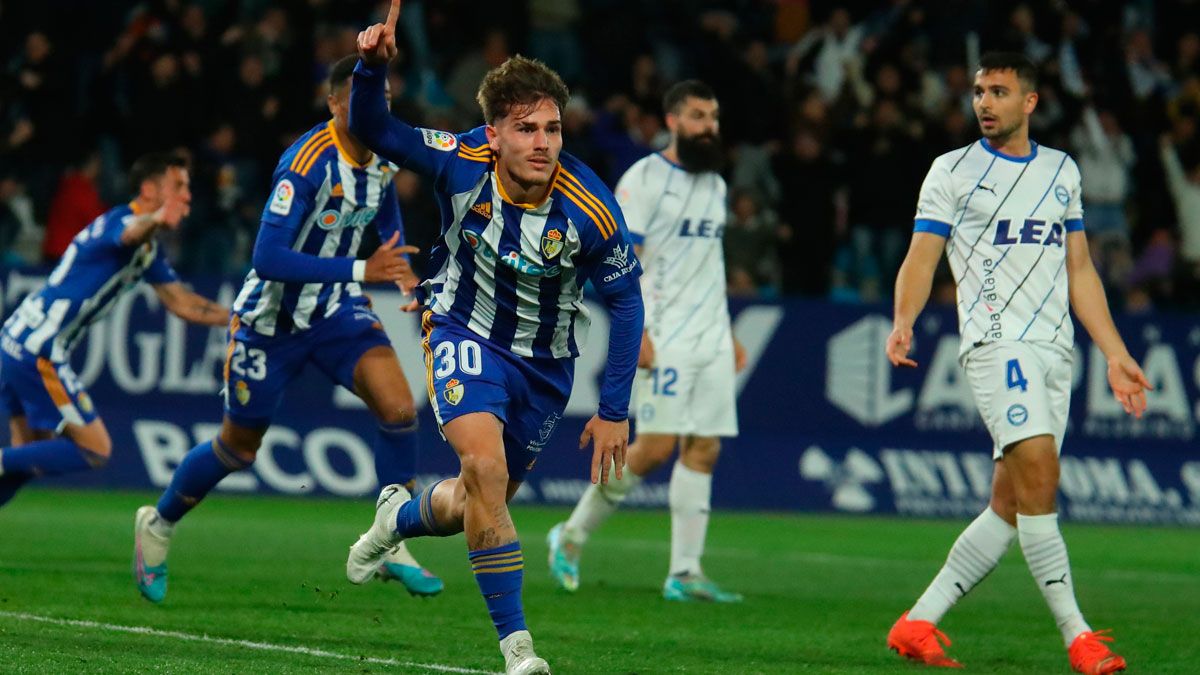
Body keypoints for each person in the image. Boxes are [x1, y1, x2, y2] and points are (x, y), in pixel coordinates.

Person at [345, 2, 644, 673]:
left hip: (545, 367)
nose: (543, 142)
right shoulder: (460, 160)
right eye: (526, 128)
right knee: (485, 470)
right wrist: (370, 70)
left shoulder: (591, 207)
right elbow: (373, 129)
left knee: (473, 500)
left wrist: (614, 407)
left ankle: (396, 521)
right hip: (461, 329)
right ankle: (519, 652)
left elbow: (626, 300)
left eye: (553, 128)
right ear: (494, 134)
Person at [132, 56, 443, 604]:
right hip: (268, 321)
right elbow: (268, 256)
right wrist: (363, 269)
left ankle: (391, 537)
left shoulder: (383, 157)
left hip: (336, 311)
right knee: (239, 446)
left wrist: (399, 269)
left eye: (386, 101)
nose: (378, 109)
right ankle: (157, 524)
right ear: (333, 103)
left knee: (398, 409)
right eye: (364, 99)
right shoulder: (306, 163)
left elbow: (386, 213)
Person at [884, 52, 1149, 674]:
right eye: (979, 91)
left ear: (1029, 102)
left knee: (1009, 502)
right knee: (1040, 479)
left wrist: (1114, 353)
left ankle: (917, 623)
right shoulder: (951, 171)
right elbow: (922, 256)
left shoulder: (1062, 170)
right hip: (996, 344)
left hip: (1057, 350)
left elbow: (1079, 270)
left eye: (999, 92)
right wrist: (904, 319)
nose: (984, 102)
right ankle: (1078, 637)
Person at [547, 80, 747, 603]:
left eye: (715, 116)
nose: (711, 126)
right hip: (665, 333)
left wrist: (727, 332)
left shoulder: (716, 185)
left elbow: (711, 265)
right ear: (674, 120)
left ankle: (684, 572)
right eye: (700, 116)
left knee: (704, 447)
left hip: (710, 338)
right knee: (655, 447)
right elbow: (617, 263)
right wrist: (639, 332)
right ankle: (570, 534)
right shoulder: (646, 178)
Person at [0, 153, 227, 506]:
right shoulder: (122, 222)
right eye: (179, 187)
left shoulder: (147, 248)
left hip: (15, 341)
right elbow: (129, 234)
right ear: (150, 189)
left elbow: (182, 303)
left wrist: (239, 316)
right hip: (37, 349)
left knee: (28, 456)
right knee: (95, 448)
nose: (188, 196)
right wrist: (156, 219)